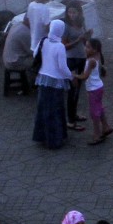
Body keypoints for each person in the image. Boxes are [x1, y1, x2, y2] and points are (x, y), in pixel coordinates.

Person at [33, 19, 72, 150]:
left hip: (43, 79)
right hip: (56, 82)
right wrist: (71, 76)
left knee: (43, 109)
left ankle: (42, 136)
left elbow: (35, 54)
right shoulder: (60, 46)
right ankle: (55, 139)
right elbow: (62, 67)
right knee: (55, 111)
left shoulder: (43, 41)